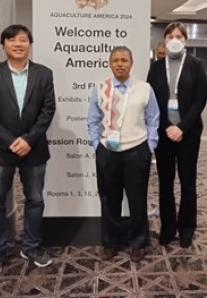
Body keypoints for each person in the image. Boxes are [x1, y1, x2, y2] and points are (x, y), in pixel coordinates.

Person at [0, 25, 56, 275]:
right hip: (0, 149)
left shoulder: (44, 74)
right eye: (11, 40)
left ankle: (31, 246)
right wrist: (10, 141)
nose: (18, 44)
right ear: (4, 45)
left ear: (29, 44)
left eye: (23, 39)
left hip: (34, 149)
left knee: (35, 200)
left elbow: (48, 110)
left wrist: (29, 140)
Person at [87, 46, 159, 262]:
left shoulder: (145, 89)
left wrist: (150, 146)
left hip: (137, 150)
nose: (120, 63)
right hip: (108, 152)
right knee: (109, 200)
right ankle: (111, 242)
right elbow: (92, 120)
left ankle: (138, 243)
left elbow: (153, 119)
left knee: (138, 199)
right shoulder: (100, 88)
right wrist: (96, 145)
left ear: (131, 63)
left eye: (124, 60)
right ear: (110, 63)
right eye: (116, 60)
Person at [146, 22, 207, 248]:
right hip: (164, 134)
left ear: (185, 40)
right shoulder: (155, 67)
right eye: (171, 36)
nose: (175, 39)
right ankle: (168, 227)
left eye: (179, 36)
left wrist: (181, 127)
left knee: (188, 181)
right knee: (165, 183)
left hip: (188, 134)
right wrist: (167, 127)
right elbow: (151, 102)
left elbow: (200, 99)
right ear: (165, 40)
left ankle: (187, 228)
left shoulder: (196, 65)